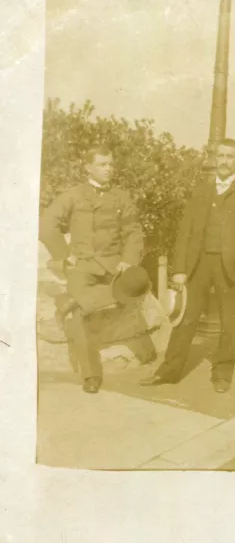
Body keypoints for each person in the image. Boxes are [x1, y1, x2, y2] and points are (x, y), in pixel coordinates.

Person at [140, 138, 235, 393]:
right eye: (220, 155)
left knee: (228, 321)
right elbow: (185, 231)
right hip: (198, 264)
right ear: (214, 159)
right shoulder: (201, 191)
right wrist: (179, 269)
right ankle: (169, 371)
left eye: (230, 156)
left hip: (230, 266)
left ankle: (222, 373)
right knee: (185, 318)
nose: (224, 161)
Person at [39, 144, 156, 393]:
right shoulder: (72, 195)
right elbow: (47, 224)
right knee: (80, 316)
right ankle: (91, 375)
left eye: (111, 164)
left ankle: (146, 352)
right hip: (83, 266)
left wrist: (128, 260)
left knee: (128, 296)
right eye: (102, 164)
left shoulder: (121, 196)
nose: (108, 169)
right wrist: (64, 255)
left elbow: (133, 232)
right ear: (88, 168)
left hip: (115, 265)